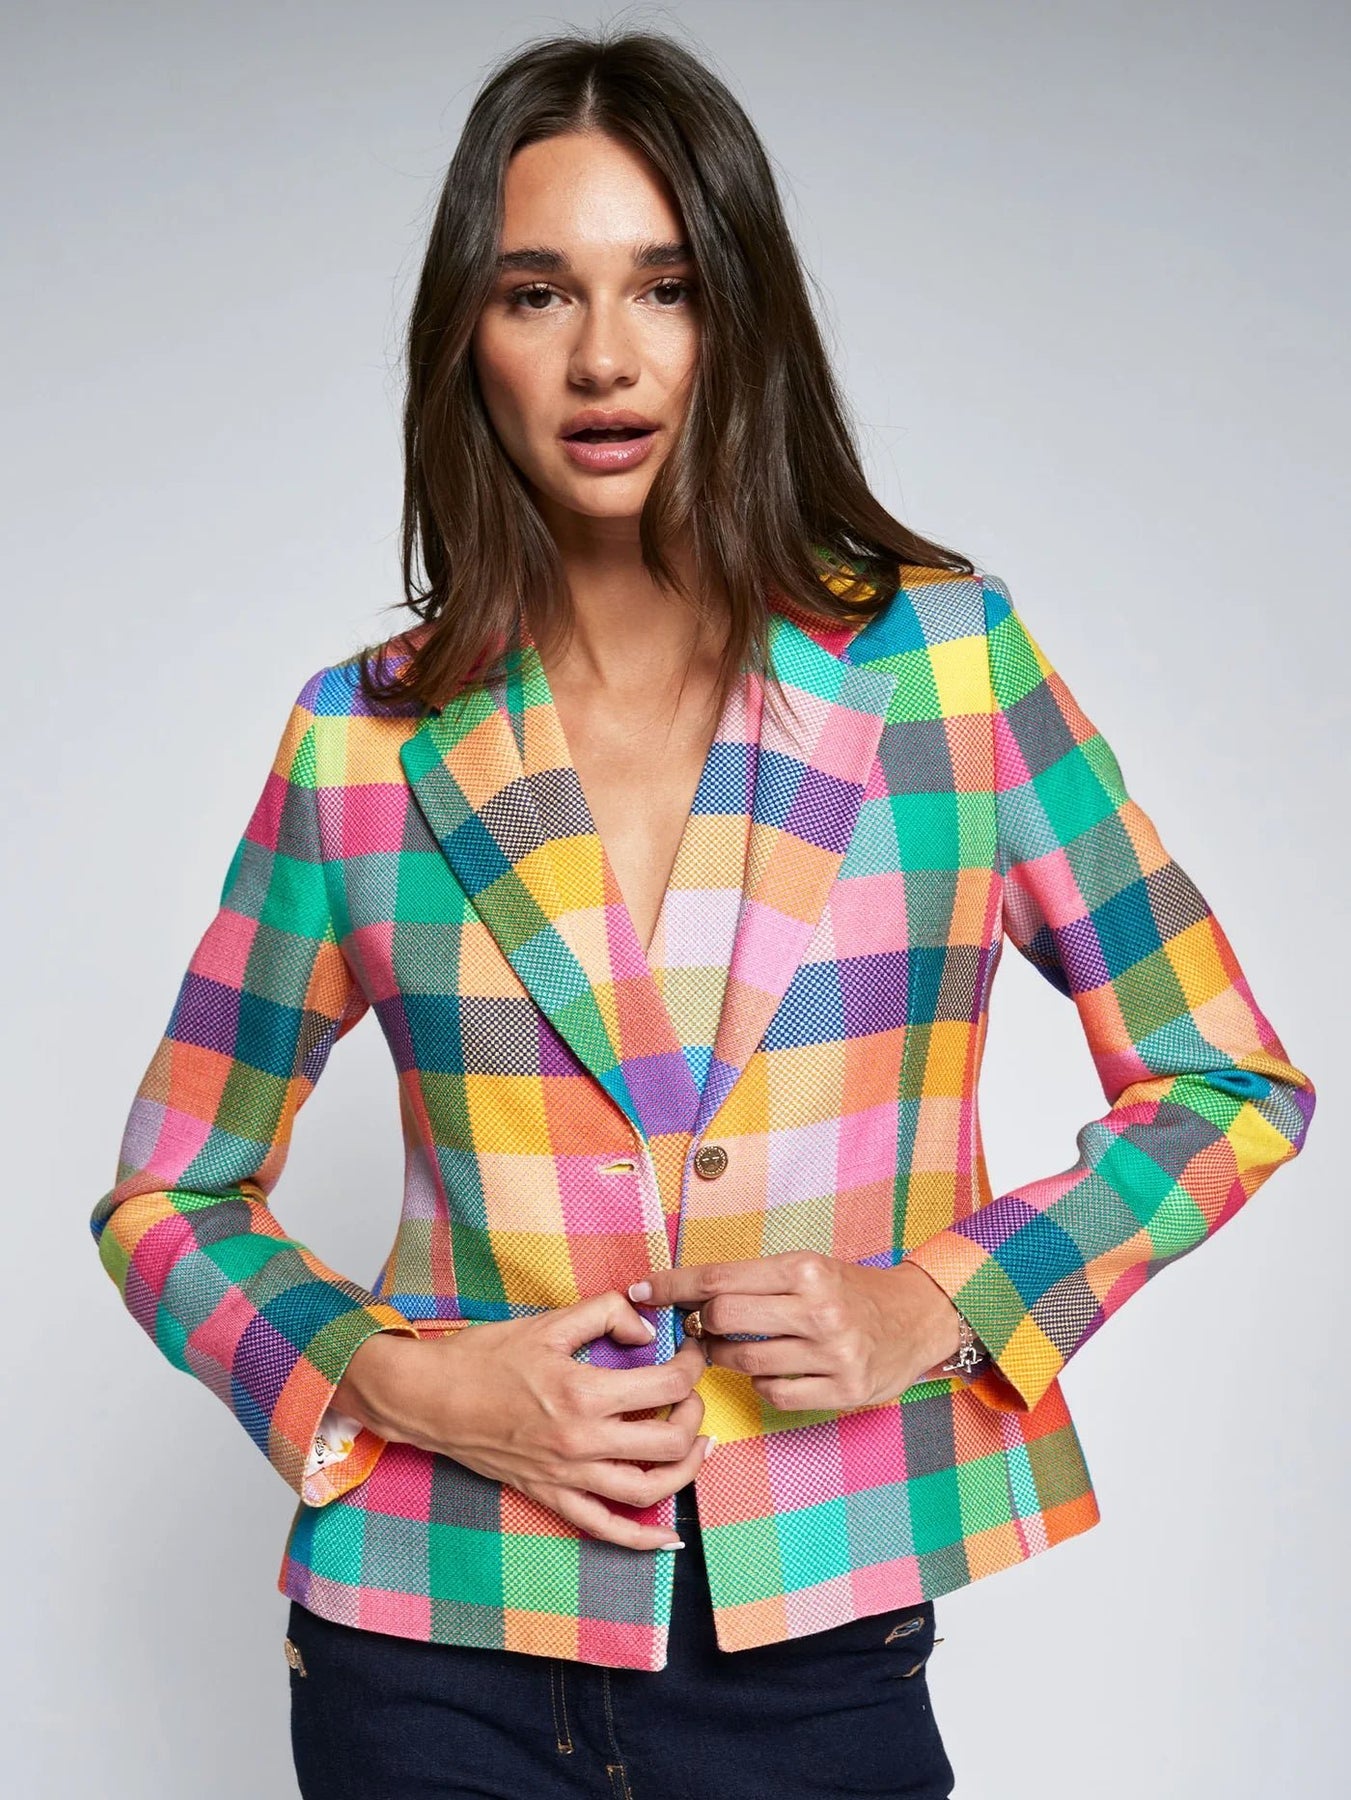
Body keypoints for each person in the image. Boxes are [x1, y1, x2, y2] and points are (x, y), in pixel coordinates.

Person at [89, 26, 1316, 1800]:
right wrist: (413, 1386)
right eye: (537, 293)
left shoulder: (945, 671)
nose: (604, 354)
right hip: (422, 1652)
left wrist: (934, 1304)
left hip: (813, 1658)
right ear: (469, 341)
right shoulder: (364, 742)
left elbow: (1228, 1083)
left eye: (663, 287)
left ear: (740, 319)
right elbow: (166, 1198)